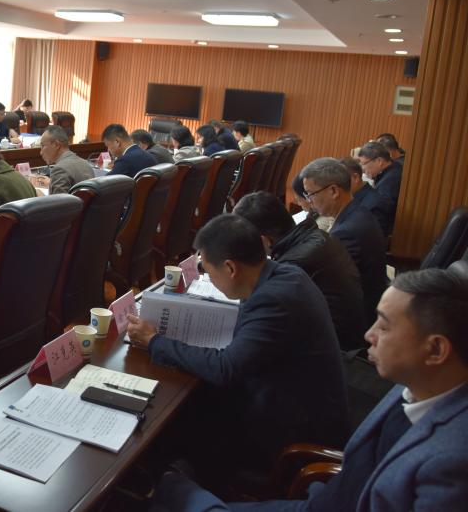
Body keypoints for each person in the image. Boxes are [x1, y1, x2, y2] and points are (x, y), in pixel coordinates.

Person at [148, 267, 468, 512]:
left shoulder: (451, 463)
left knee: (171, 492)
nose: (369, 335)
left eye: (384, 326)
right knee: (171, 488)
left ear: (436, 350)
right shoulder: (419, 384)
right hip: (323, 500)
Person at [126, 213, 349, 471]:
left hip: (292, 431)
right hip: (289, 399)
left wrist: (154, 341)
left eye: (208, 271)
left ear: (231, 268)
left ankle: (166, 479)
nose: (209, 278)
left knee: (172, 422)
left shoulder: (274, 300)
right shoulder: (286, 274)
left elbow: (225, 369)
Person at [234, 191, 366, 349]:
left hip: (335, 350)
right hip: (349, 336)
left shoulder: (292, 266)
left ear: (263, 241)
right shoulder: (317, 236)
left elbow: (258, 322)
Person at [302, 158, 388, 325]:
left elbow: (332, 288)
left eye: (311, 194)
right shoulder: (357, 212)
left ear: (333, 191)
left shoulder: (346, 233)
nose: (309, 201)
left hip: (357, 321)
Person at [358, 141, 403, 237]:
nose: (363, 169)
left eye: (364, 164)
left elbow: (381, 210)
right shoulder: (393, 168)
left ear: (379, 161)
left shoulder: (391, 180)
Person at [32, 125, 94, 194]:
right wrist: (52, 182)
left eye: (43, 146)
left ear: (56, 145)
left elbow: (59, 201)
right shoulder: (85, 163)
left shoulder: (59, 169)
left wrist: (40, 195)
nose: (41, 153)